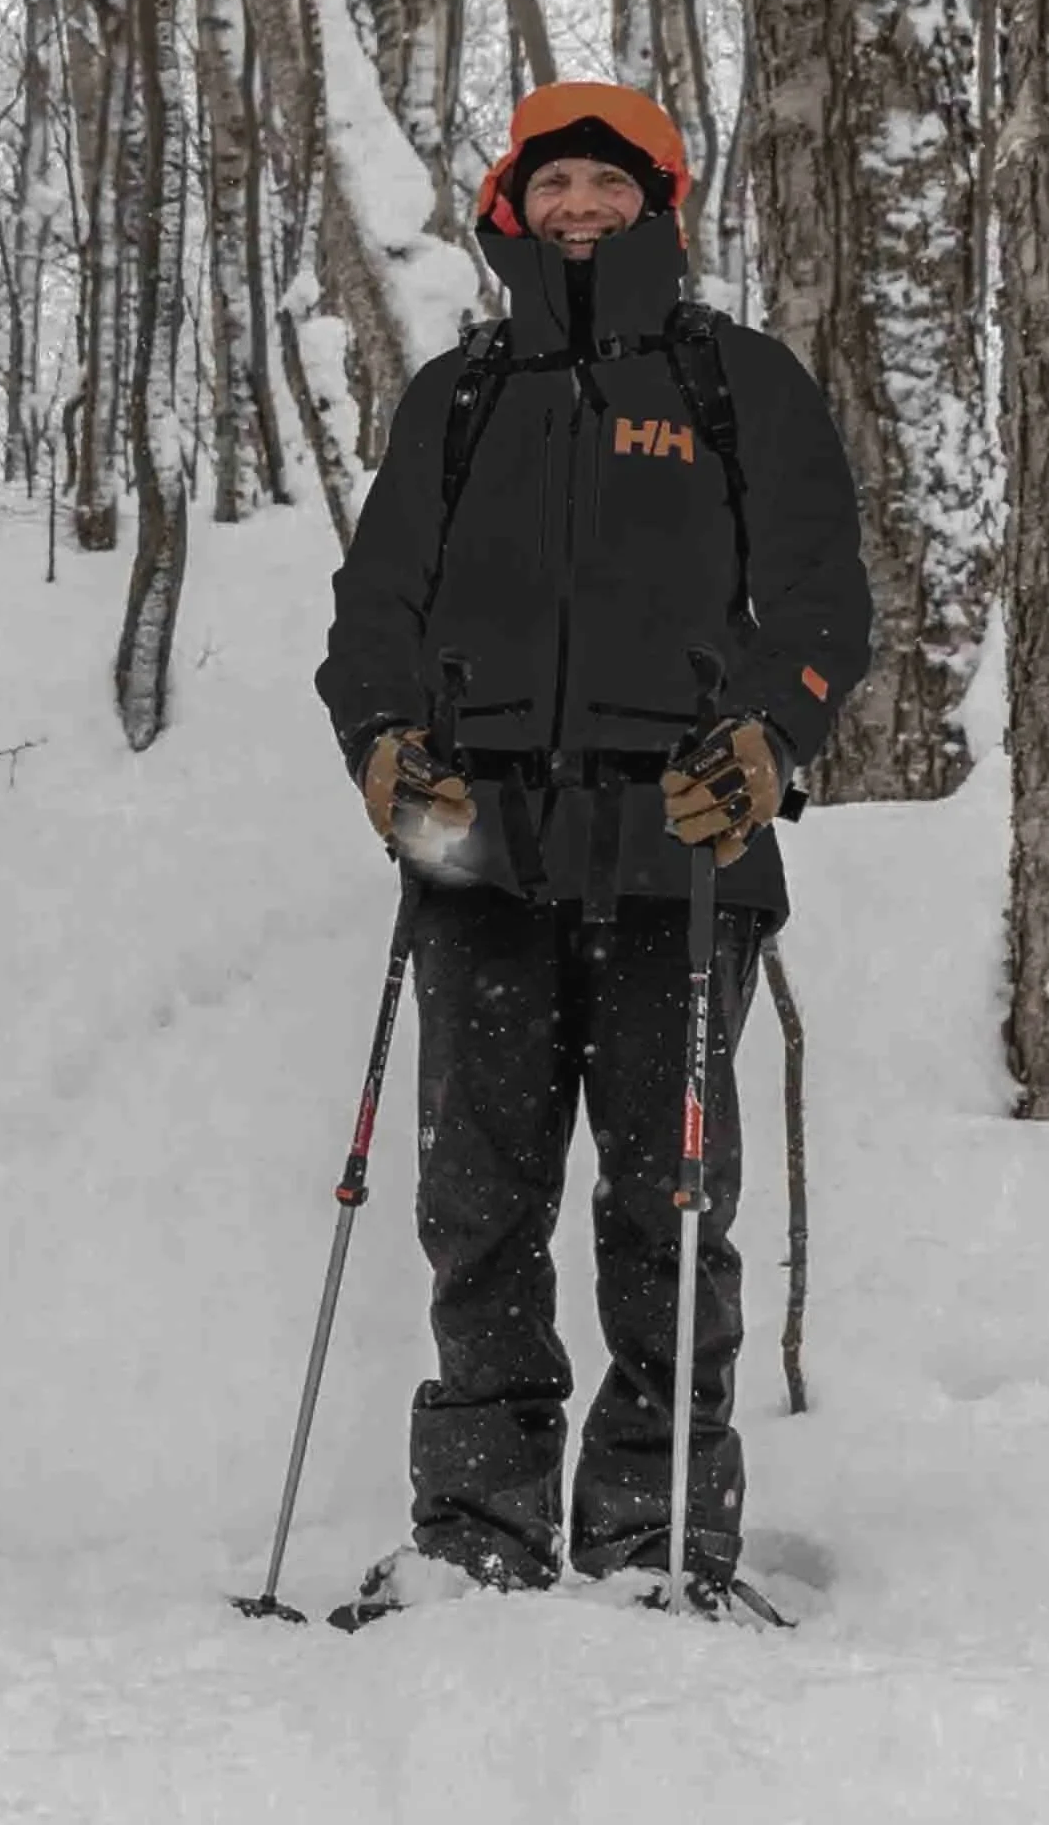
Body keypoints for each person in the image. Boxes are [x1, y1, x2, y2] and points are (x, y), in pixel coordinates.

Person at [315, 82, 871, 1624]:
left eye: (605, 188)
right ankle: (477, 1534)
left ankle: (658, 1543)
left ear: (656, 206)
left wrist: (769, 736)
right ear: (510, 207)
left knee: (669, 1206)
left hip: (682, 848)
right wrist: (380, 747)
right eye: (551, 184)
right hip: (478, 846)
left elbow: (827, 601)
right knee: (477, 1201)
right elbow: (374, 619)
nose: (577, 210)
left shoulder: (737, 380)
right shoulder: (458, 396)